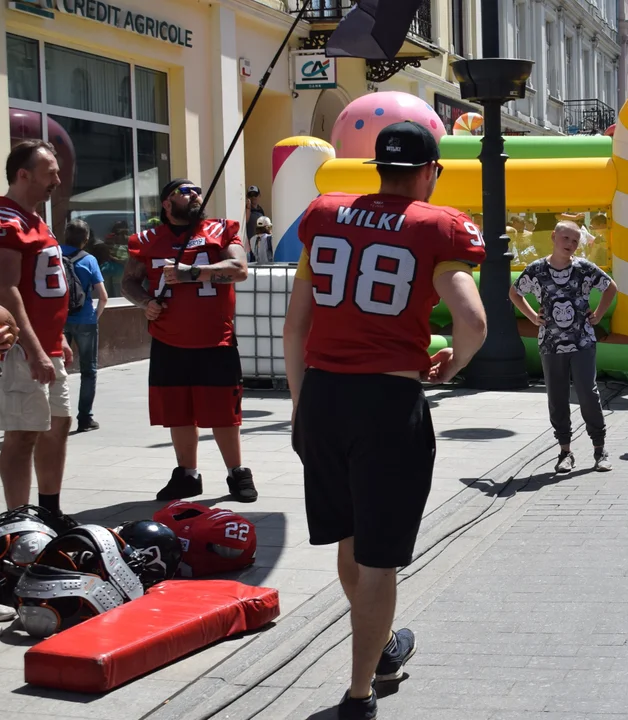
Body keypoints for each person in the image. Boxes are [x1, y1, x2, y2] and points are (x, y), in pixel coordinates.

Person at [283, 121, 488, 716]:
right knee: (380, 557)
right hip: (386, 404)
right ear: (430, 172)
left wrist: (301, 405)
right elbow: (472, 324)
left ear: (378, 168)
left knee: (351, 541)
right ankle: (358, 691)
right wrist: (451, 367)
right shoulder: (436, 226)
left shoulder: (325, 213)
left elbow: (297, 324)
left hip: (322, 396)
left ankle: (382, 649)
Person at [122, 179, 258, 503]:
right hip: (168, 341)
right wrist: (145, 302)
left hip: (216, 341)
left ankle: (237, 472)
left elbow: (239, 269)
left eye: (196, 189)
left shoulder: (221, 230)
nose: (194, 194)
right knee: (178, 413)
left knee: (225, 414)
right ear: (166, 205)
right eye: (184, 192)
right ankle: (187, 474)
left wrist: (191, 273)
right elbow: (129, 281)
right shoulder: (148, 240)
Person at [0, 140, 75, 524]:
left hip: (49, 343)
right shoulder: (7, 219)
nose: (57, 181)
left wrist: (57, 336)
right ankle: (18, 521)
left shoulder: (35, 218)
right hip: (23, 349)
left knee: (58, 423)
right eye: (50, 172)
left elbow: (41, 285)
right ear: (23, 174)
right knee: (23, 432)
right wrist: (34, 348)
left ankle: (49, 510)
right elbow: (5, 287)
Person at [511, 221, 618, 473]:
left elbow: (610, 287)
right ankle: (565, 451)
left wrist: (599, 314)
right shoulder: (537, 269)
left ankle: (599, 448)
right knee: (557, 397)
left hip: (582, 340)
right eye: (566, 238)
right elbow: (515, 293)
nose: (570, 244)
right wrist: (531, 317)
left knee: (587, 392)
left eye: (574, 241)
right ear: (554, 236)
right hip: (550, 342)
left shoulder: (583, 268)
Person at [61, 219, 108, 432]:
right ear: (86, 239)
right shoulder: (89, 260)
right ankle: (85, 419)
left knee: (56, 369)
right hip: (86, 320)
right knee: (88, 371)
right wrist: (93, 317)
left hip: (59, 321)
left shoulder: (53, 255)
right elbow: (104, 297)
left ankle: (54, 418)